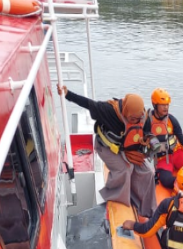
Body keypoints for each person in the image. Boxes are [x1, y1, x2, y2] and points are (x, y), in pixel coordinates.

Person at [58, 85, 157, 217]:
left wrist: (148, 142)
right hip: (107, 148)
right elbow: (87, 103)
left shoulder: (143, 117)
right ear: (126, 112)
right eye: (132, 119)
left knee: (148, 172)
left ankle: (148, 209)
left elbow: (147, 133)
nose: (135, 121)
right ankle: (116, 198)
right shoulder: (108, 110)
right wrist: (67, 94)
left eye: (138, 119)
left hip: (128, 149)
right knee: (125, 169)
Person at [143, 88, 183, 190]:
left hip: (177, 153)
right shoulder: (148, 122)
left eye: (167, 105)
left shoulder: (172, 120)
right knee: (166, 181)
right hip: (162, 159)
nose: (166, 107)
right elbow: (145, 143)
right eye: (163, 105)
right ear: (155, 105)